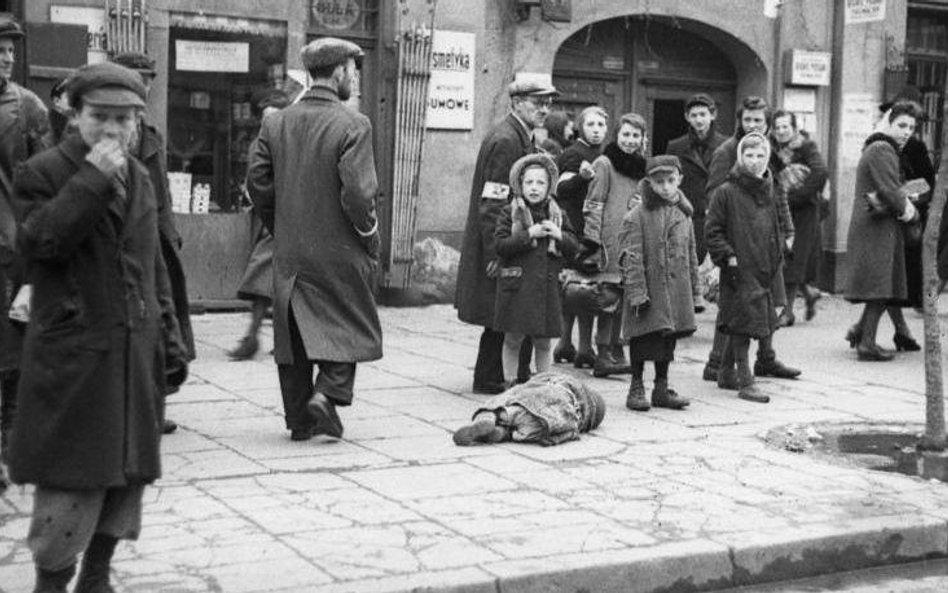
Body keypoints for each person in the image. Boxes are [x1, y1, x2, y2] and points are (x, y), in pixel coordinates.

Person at [8, 61, 187, 593]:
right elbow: (40, 245)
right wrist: (91, 181)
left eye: (124, 120)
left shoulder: (140, 177)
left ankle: (98, 576)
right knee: (71, 483)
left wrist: (169, 334)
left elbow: (152, 260)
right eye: (100, 117)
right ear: (74, 115)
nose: (112, 130)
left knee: (128, 477)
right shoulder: (43, 173)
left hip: (135, 349)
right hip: (75, 355)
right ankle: (52, 580)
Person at [248, 37, 382, 441]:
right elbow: (359, 193)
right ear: (339, 71)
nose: (355, 78)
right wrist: (369, 234)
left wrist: (280, 223)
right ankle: (328, 394)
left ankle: (298, 421)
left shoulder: (276, 122)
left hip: (289, 249)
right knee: (348, 320)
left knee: (291, 334)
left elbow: (257, 181)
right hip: (339, 247)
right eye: (353, 70)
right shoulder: (354, 124)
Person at [455, 73, 557, 394]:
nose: (544, 109)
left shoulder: (520, 136)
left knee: (512, 311)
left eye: (548, 103)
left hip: (515, 244)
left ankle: (512, 375)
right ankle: (492, 378)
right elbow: (493, 204)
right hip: (505, 246)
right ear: (516, 103)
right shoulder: (507, 140)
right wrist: (497, 253)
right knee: (504, 311)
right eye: (537, 103)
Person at [111, 51, 194, 435]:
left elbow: (161, 191)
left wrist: (171, 231)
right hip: (120, 240)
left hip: (157, 239)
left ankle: (154, 407)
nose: (144, 86)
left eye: (148, 80)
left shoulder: (151, 134)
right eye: (137, 78)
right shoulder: (112, 131)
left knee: (163, 323)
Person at [702, 96, 799, 384]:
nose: (752, 125)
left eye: (758, 120)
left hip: (765, 243)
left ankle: (765, 358)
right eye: (748, 120)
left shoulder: (770, 154)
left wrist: (787, 231)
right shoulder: (729, 151)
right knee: (736, 307)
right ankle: (718, 363)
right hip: (739, 242)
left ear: (767, 125)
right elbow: (716, 198)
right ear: (740, 121)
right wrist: (729, 245)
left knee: (766, 302)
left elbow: (778, 196)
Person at [0, 15, 50, 492]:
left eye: (11, 50)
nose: (7, 58)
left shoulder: (29, 106)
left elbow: (44, 177)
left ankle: (11, 435)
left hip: (12, 244)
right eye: (0, 50)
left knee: (13, 345)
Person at [705, 132, 783, 403]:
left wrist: (778, 252)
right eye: (749, 155)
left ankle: (726, 372)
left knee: (745, 317)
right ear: (740, 157)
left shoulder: (770, 188)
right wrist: (727, 257)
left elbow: (777, 222)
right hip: (738, 266)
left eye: (760, 155)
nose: (754, 161)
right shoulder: (727, 191)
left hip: (763, 265)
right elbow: (713, 230)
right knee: (744, 322)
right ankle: (746, 380)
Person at [620, 155, 701, 411]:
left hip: (676, 290)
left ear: (680, 180)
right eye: (659, 182)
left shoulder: (683, 214)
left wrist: (695, 293)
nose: (665, 187)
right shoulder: (637, 215)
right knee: (643, 337)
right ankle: (636, 385)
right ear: (648, 182)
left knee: (668, 339)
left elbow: (691, 254)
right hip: (648, 288)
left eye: (671, 180)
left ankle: (661, 386)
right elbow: (630, 256)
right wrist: (637, 292)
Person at [844, 100, 922, 361]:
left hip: (877, 224)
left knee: (881, 284)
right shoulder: (882, 149)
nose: (906, 131)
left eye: (911, 127)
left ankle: (860, 332)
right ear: (889, 123)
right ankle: (867, 344)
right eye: (901, 125)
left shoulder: (879, 147)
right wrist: (911, 211)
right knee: (880, 285)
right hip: (876, 226)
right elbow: (889, 189)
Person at [493, 153, 577, 386]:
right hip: (517, 288)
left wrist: (559, 235)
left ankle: (543, 384)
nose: (534, 188)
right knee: (512, 338)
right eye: (529, 182)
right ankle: (509, 383)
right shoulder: (509, 213)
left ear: (549, 185)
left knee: (543, 341)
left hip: (546, 289)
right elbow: (500, 245)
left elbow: (574, 248)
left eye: (540, 183)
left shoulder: (558, 215)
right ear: (520, 185)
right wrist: (528, 234)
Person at [581, 112, 649, 377]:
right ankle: (602, 353)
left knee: (623, 297)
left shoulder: (641, 168)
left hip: (630, 241)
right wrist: (592, 241)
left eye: (635, 136)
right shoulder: (605, 163)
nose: (630, 141)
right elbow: (593, 205)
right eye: (626, 135)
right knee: (608, 298)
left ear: (643, 139)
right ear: (617, 135)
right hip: (608, 241)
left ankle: (615, 347)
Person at [228, 89, 290, 361]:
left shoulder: (290, 144)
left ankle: (255, 337)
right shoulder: (261, 143)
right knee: (272, 280)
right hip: (264, 217)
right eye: (265, 117)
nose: (269, 122)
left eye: (274, 117)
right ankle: (275, 339)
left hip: (283, 219)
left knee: (266, 277)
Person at [553, 106, 609, 370]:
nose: (596, 130)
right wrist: (580, 178)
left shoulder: (603, 154)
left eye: (601, 125)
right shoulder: (573, 153)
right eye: (591, 125)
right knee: (580, 288)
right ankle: (580, 346)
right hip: (577, 227)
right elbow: (560, 189)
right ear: (580, 127)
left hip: (594, 228)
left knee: (581, 288)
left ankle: (568, 344)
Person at [770, 110, 828, 325]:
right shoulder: (773, 149)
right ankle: (809, 292)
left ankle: (787, 312)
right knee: (785, 256)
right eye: (777, 127)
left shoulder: (806, 146)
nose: (781, 131)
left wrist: (797, 196)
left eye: (786, 126)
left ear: (794, 128)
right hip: (783, 210)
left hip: (803, 211)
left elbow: (820, 172)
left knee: (794, 258)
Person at [452, 372, 605, 447]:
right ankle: (506, 434)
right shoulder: (578, 412)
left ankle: (492, 415)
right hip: (548, 413)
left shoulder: (559, 378)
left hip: (534, 389)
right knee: (534, 423)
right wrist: (552, 439)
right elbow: (569, 432)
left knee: (509, 400)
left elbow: (527, 384)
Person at [665, 93, 728, 264]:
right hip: (686, 216)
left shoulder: (727, 146)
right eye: (694, 115)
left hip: (716, 219)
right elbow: (668, 182)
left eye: (703, 114)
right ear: (687, 117)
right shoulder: (676, 147)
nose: (699, 120)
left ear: (712, 115)